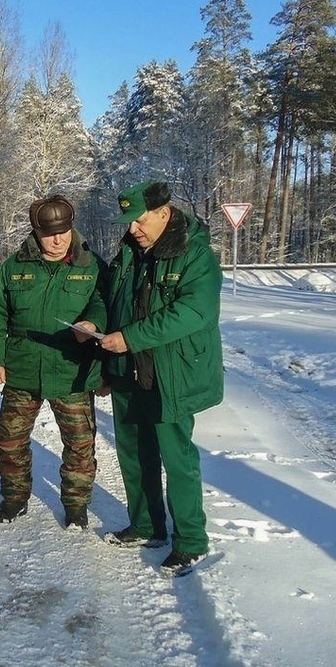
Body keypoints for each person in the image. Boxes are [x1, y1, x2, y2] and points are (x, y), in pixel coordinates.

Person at [98, 179, 224, 573]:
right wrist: (96, 329)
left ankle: (190, 539)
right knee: (134, 453)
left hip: (171, 372)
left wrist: (130, 337)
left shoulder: (195, 254)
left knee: (176, 456)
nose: (132, 228)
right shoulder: (128, 252)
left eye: (139, 220)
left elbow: (195, 311)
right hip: (128, 371)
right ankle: (146, 524)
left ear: (163, 212)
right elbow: (110, 300)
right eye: (128, 222)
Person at [0, 195, 106, 529]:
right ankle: (14, 499)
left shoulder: (90, 264)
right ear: (36, 232)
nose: (58, 239)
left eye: (63, 231)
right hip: (23, 369)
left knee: (80, 445)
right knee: (10, 443)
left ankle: (76, 506)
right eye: (50, 233)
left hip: (72, 371)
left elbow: (105, 302)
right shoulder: (16, 265)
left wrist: (93, 323)